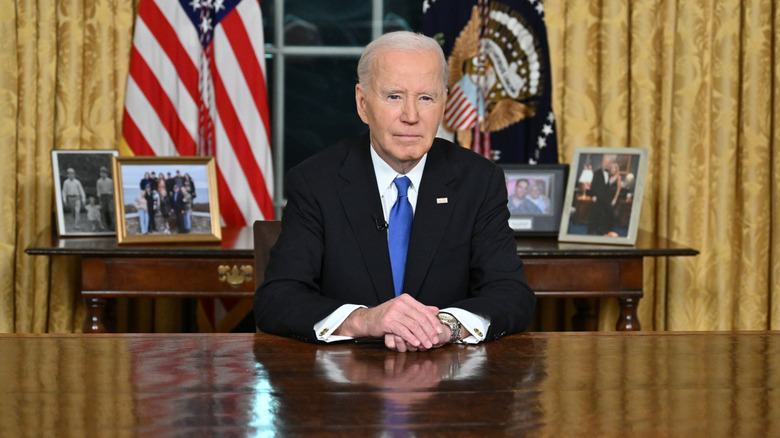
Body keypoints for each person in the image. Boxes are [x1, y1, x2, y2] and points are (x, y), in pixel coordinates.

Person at [254, 31, 535, 352]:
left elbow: (512, 294)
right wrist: (363, 320)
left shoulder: (479, 180)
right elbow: (277, 298)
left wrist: (447, 327)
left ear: (444, 103)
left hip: (448, 381)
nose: (411, 116)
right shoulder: (316, 181)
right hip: (344, 383)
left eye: (426, 98)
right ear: (363, 104)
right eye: (394, 96)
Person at [587, 154, 621, 235]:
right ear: (602, 162)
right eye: (605, 161)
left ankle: (603, 230)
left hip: (608, 198)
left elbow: (615, 187)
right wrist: (593, 196)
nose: (607, 164)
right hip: (598, 198)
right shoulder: (597, 172)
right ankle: (590, 230)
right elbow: (593, 185)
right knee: (595, 214)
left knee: (606, 215)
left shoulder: (611, 173)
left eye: (609, 162)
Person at [96, 166, 114, 231]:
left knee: (111, 210)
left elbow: (113, 189)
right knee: (105, 211)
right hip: (103, 197)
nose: (103, 174)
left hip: (109, 196)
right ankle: (108, 225)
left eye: (104, 173)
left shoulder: (110, 181)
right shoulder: (99, 181)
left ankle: (113, 225)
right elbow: (98, 191)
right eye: (101, 173)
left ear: (106, 173)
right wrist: (99, 200)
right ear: (100, 173)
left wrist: (112, 197)